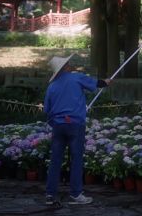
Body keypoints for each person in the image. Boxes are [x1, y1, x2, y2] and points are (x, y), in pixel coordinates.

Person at [43, 54, 111, 206]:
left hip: (58, 126)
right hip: (75, 125)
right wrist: (107, 82)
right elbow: (98, 83)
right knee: (76, 160)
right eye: (68, 63)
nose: (70, 64)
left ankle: (50, 194)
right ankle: (76, 194)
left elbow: (46, 109)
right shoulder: (76, 77)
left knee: (55, 160)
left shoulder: (52, 86)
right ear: (65, 67)